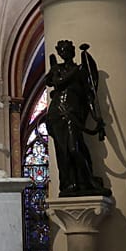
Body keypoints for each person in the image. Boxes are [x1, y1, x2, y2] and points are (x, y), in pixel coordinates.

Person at [43, 40, 106, 195]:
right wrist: (73, 72)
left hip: (73, 113)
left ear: (72, 51)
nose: (64, 53)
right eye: (61, 51)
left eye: (66, 50)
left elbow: (89, 97)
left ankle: (88, 180)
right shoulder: (58, 69)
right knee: (62, 151)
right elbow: (54, 82)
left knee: (74, 148)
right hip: (57, 113)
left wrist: (96, 118)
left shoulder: (81, 72)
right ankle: (68, 184)